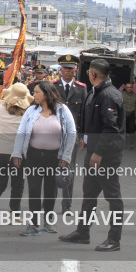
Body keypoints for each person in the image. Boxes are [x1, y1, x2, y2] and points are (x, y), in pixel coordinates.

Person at [59, 58, 125, 251]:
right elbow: (91, 120)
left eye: (89, 73)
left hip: (105, 155)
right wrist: (84, 139)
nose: (88, 75)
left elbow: (110, 128)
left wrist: (98, 152)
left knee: (113, 196)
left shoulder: (109, 96)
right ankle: (83, 231)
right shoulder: (95, 93)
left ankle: (114, 238)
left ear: (94, 75)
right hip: (93, 151)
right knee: (89, 194)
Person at [11, 81, 76, 236]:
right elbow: (21, 132)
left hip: (54, 157)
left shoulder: (62, 110)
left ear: (47, 94)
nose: (34, 95)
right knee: (33, 189)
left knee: (50, 191)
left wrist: (67, 156)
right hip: (33, 156)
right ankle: (33, 225)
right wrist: (17, 153)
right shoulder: (31, 111)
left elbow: (72, 132)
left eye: (37, 92)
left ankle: (48, 222)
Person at [0, 79, 31, 218]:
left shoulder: (1, 106)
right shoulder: (28, 111)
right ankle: (14, 213)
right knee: (18, 184)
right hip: (19, 154)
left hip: (0, 152)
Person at [55, 54, 86, 213]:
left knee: (68, 168)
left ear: (75, 70)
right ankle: (49, 201)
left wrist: (83, 137)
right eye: (66, 69)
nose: (68, 72)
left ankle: (66, 205)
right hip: (53, 135)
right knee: (51, 168)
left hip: (72, 136)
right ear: (60, 69)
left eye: (71, 69)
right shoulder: (53, 87)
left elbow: (84, 114)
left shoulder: (81, 89)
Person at [122, 82, 136, 149]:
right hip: (124, 114)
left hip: (131, 114)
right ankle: (124, 143)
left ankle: (131, 144)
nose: (129, 89)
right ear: (126, 88)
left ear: (132, 88)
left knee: (131, 129)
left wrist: (135, 108)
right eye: (128, 87)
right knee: (124, 129)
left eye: (131, 87)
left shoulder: (135, 96)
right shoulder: (122, 95)